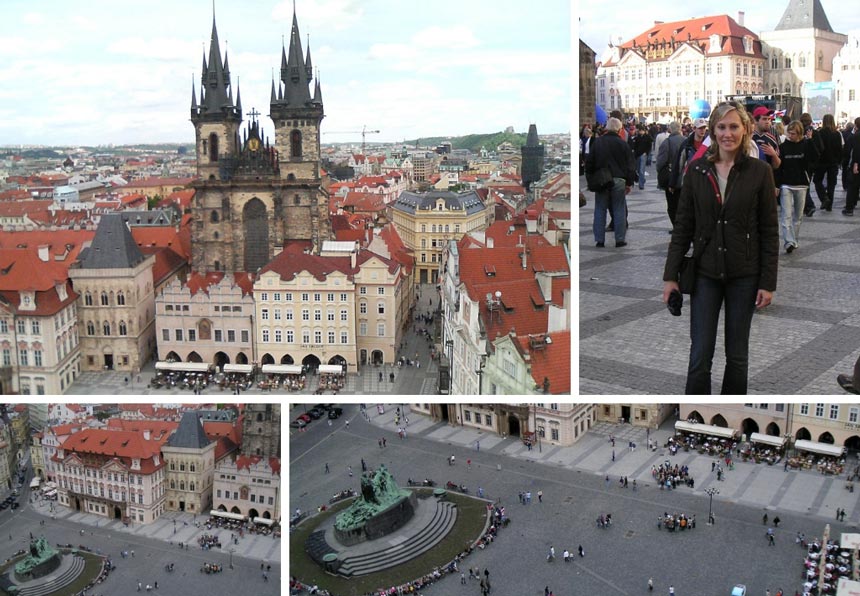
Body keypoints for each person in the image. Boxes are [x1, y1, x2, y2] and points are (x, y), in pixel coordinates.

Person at [662, 102, 779, 394]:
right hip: (705, 272)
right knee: (700, 354)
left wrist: (768, 282)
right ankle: (692, 414)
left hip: (745, 274)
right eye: (722, 127)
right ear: (713, 130)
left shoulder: (759, 172)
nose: (728, 133)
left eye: (734, 127)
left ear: (745, 129)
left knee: (737, 356)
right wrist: (670, 277)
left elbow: (769, 231)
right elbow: (683, 227)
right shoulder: (697, 170)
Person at [586, 117, 635, 248]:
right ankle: (619, 240)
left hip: (602, 180)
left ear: (606, 128)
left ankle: (599, 240)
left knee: (600, 209)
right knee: (619, 209)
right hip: (619, 180)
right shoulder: (623, 144)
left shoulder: (598, 142)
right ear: (619, 129)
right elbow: (630, 165)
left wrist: (591, 179)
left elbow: (589, 163)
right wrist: (629, 183)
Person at [776, 120, 815, 253]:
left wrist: (810, 141)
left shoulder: (806, 145)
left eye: (793, 134)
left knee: (798, 216)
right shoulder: (783, 147)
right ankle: (789, 242)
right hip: (786, 184)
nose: (790, 136)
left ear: (799, 134)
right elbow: (779, 168)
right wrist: (777, 184)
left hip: (802, 184)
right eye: (789, 133)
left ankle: (794, 239)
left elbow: (814, 158)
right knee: (786, 215)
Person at [656, 121, 686, 228]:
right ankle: (684, 227)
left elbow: (660, 162)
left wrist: (660, 172)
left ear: (670, 130)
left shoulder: (667, 142)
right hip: (685, 179)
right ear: (680, 129)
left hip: (671, 179)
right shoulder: (686, 141)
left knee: (672, 205)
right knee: (684, 205)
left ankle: (677, 227)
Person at [812, 114, 843, 211]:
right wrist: (839, 161)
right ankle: (829, 204)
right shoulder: (837, 134)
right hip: (833, 162)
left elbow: (816, 148)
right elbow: (840, 149)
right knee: (832, 183)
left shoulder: (819, 133)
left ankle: (824, 198)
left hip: (822, 161)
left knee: (817, 180)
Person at [843, 117, 860, 216]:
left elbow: (853, 151)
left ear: (856, 125)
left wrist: (855, 164)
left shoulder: (855, 136)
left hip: (856, 165)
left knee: (852, 186)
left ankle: (849, 208)